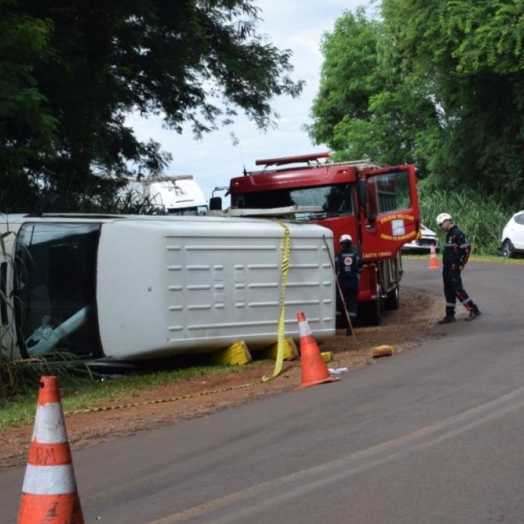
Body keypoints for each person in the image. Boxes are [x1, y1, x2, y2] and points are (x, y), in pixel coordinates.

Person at [436, 212, 481, 324]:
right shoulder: (449, 234)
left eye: (441, 225)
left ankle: (474, 309)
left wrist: (462, 264)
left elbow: (466, 249)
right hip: (447, 269)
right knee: (449, 292)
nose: (441, 228)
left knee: (457, 290)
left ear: (446, 222)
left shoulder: (457, 233)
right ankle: (450, 315)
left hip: (454, 268)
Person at [335, 234, 363, 329]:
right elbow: (360, 269)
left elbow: (334, 269)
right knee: (352, 304)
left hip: (341, 283)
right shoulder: (357, 256)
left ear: (341, 244)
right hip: (353, 283)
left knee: (339, 303)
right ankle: (350, 327)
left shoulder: (337, 256)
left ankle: (336, 324)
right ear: (351, 244)